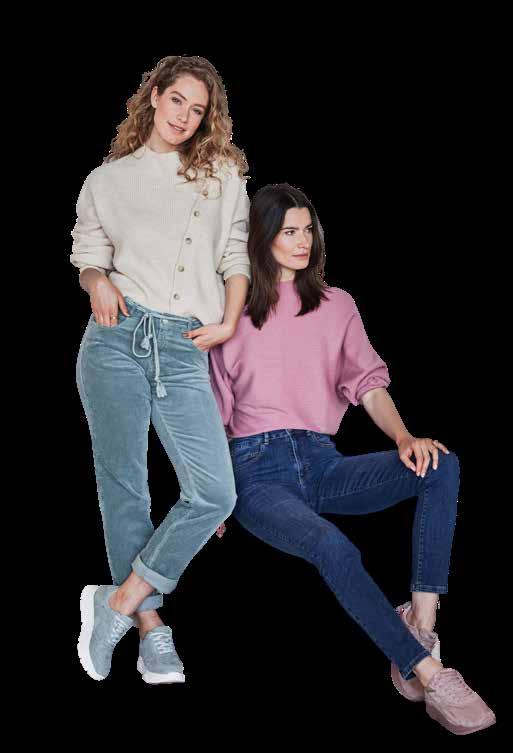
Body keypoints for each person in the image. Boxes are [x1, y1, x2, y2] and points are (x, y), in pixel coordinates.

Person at [208, 183, 496, 734]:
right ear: (262, 237)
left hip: (322, 462)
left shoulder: (336, 305)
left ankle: (421, 619)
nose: (303, 242)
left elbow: (367, 383)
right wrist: (211, 493)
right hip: (254, 471)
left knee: (440, 464)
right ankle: (430, 673)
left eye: (308, 230)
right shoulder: (230, 309)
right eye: (288, 232)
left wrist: (404, 437)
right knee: (331, 546)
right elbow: (211, 412)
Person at [72, 55, 252, 684]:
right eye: (177, 101)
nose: (184, 117)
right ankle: (151, 628)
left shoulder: (222, 175)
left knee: (215, 492)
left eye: (197, 109)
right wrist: (95, 281)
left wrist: (229, 322)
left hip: (183, 345)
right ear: (153, 96)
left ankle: (118, 601)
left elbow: (235, 255)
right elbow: (88, 254)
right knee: (125, 485)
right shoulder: (107, 180)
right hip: (116, 338)